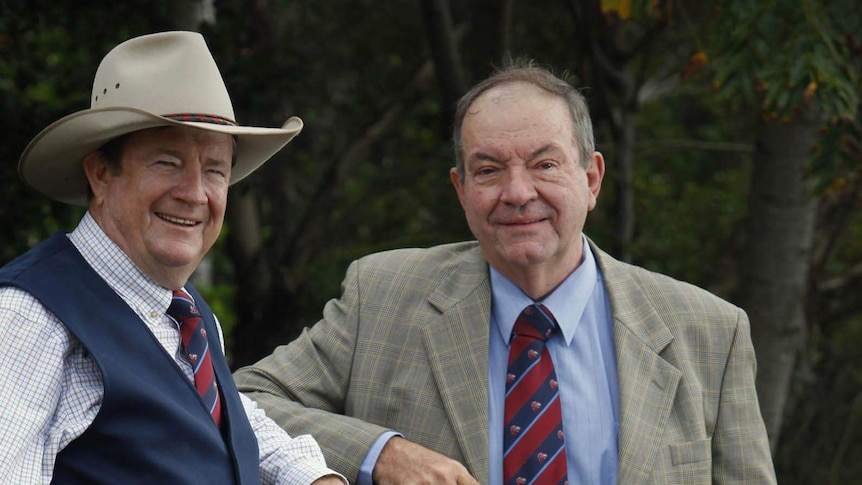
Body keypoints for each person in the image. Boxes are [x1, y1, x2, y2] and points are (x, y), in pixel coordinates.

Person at [233, 61, 777, 484]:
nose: (518, 194)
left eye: (544, 164)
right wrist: (383, 455)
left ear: (591, 178)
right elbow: (245, 401)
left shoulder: (708, 332)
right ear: (461, 190)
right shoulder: (383, 296)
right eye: (488, 170)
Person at [0, 31, 345, 484]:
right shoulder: (28, 317)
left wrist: (315, 477)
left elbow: (230, 427)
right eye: (167, 162)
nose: (194, 194)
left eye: (215, 170)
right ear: (101, 173)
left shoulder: (187, 314)